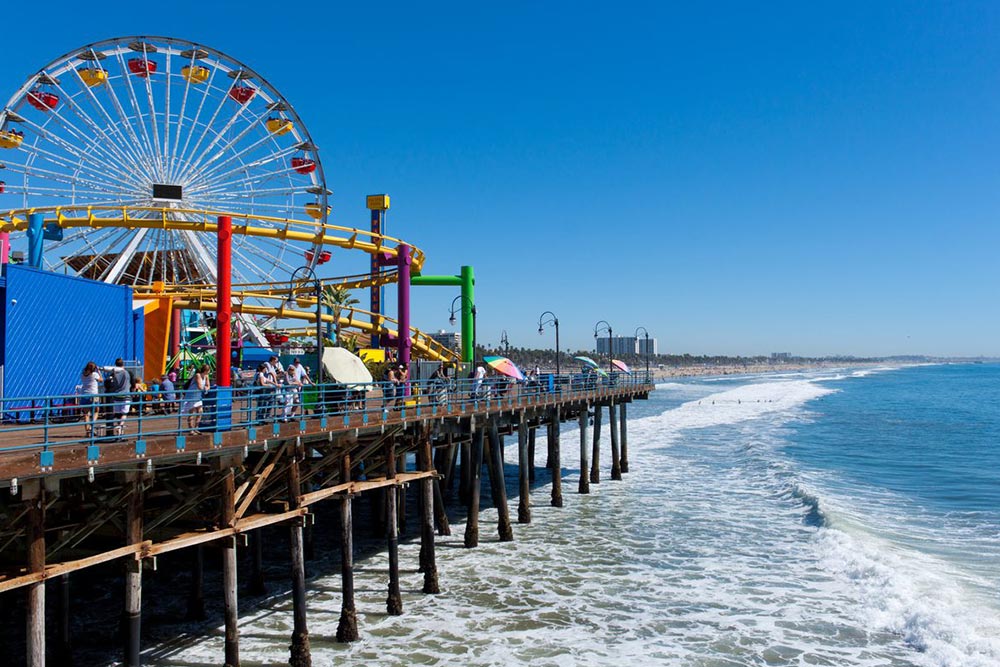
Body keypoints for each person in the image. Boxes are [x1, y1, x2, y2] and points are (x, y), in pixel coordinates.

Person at [105, 358, 131, 439]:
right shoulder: (126, 373)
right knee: (124, 413)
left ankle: (120, 431)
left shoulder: (114, 374)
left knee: (118, 414)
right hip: (126, 395)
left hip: (116, 395)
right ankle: (120, 427)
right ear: (123, 364)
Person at [182, 364, 210, 433]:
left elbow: (208, 385)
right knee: (191, 412)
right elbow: (199, 386)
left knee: (200, 412)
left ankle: (196, 427)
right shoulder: (198, 375)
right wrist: (205, 389)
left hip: (198, 395)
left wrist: (207, 388)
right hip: (191, 395)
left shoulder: (206, 376)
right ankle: (191, 429)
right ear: (206, 370)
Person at [80, 361, 102, 437]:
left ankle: (87, 432)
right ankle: (91, 426)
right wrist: (99, 371)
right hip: (93, 394)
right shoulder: (95, 374)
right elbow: (101, 380)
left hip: (84, 394)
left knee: (86, 414)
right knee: (96, 411)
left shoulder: (83, 375)